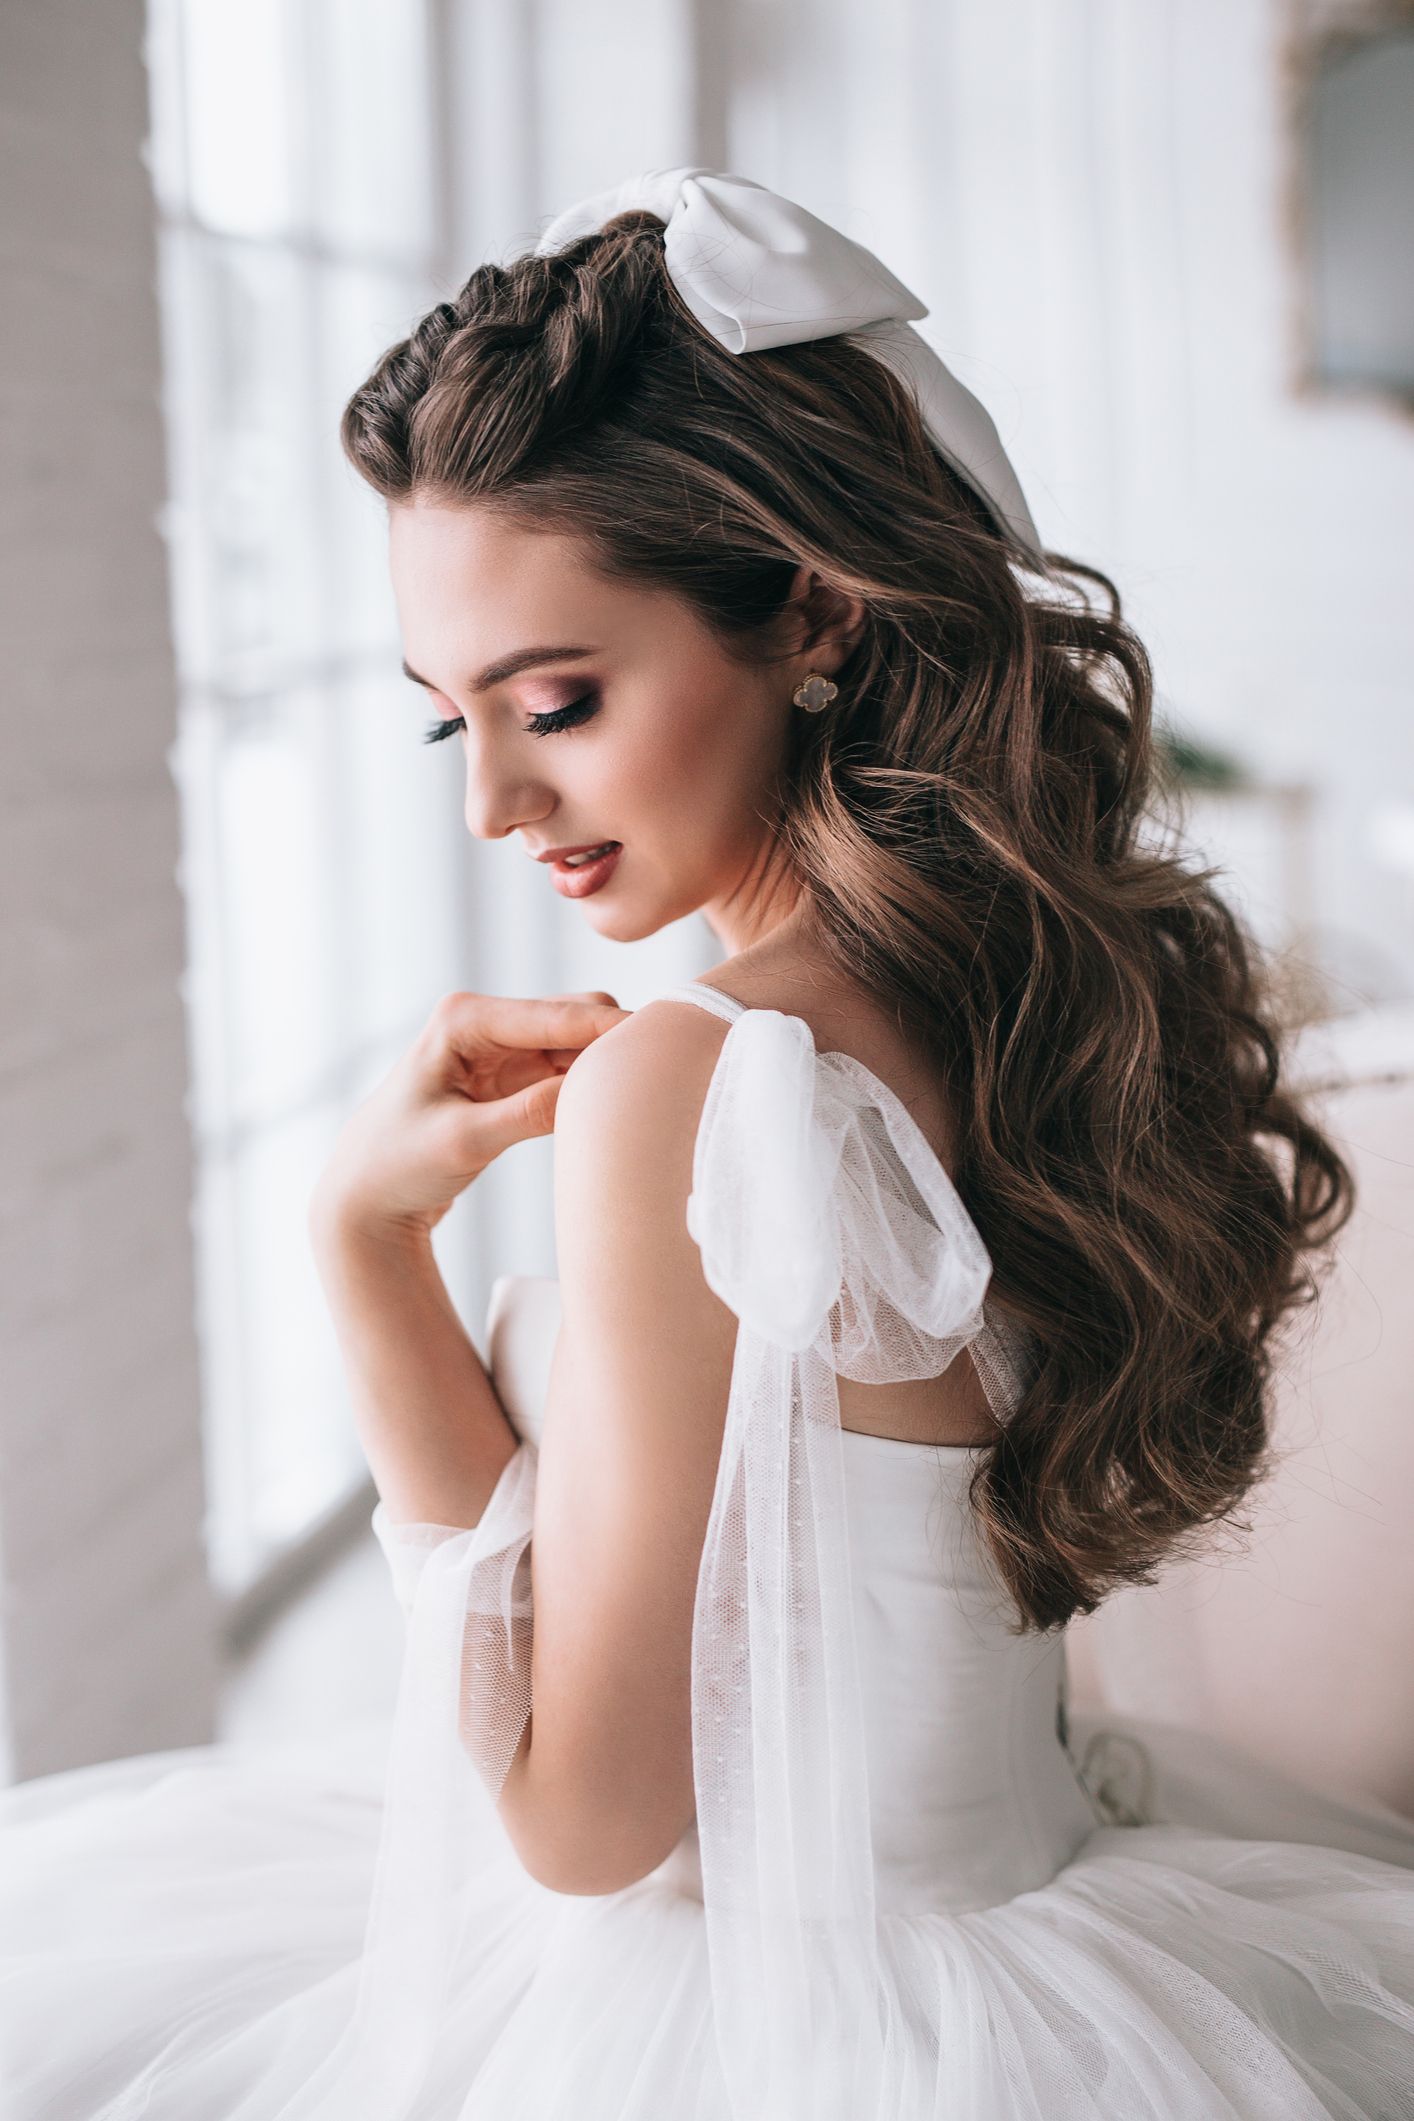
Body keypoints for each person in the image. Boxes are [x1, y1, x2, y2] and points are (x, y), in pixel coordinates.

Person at [1, 166, 1412, 2120]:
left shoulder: (705, 1074)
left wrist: (364, 1249)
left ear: (811, 606)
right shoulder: (1012, 988)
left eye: (556, 700)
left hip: (783, 2021)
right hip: (1051, 1935)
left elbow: (580, 1821)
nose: (496, 798)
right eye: (447, 723)